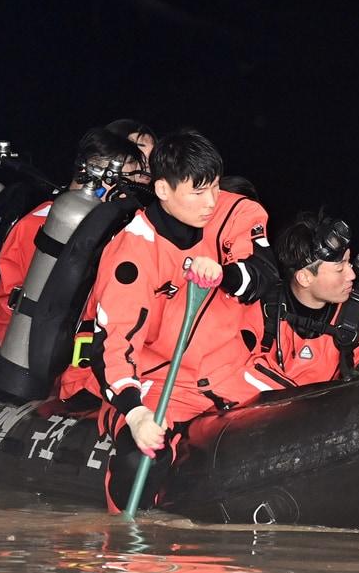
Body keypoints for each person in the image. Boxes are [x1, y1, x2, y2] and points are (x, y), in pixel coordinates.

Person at [83, 129, 277, 512]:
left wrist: (226, 274)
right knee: (137, 460)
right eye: (197, 191)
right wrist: (136, 414)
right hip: (167, 383)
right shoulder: (133, 251)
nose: (210, 202)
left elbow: (264, 273)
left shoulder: (236, 212)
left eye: (216, 188)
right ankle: (132, 555)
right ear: (162, 190)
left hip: (240, 372)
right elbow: (114, 341)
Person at [0, 127, 145, 344]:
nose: (132, 193)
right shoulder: (43, 225)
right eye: (128, 183)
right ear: (101, 178)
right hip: (39, 358)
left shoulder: (105, 223)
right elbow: (11, 301)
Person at [244, 212, 359, 390]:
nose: (352, 275)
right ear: (305, 278)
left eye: (349, 262)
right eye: (340, 269)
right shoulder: (257, 311)